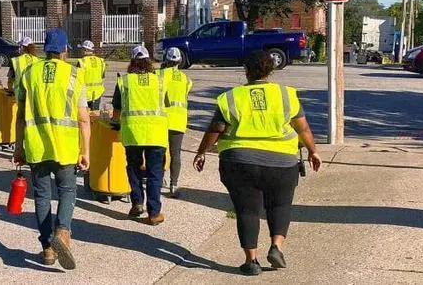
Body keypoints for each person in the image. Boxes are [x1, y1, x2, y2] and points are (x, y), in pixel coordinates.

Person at [193, 51, 322, 276]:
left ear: (246, 71)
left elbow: (217, 129)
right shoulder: (286, 94)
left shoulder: (231, 97)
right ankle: (276, 247)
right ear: (271, 70)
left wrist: (201, 152)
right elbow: (303, 128)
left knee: (247, 210)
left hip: (239, 161)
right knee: (280, 205)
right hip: (282, 162)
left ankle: (251, 261)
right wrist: (313, 151)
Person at [13, 28, 90, 270]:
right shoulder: (74, 74)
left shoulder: (29, 73)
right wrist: (85, 150)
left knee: (42, 196)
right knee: (67, 191)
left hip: (37, 146)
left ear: (45, 49)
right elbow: (83, 118)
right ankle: (63, 232)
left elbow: (20, 115)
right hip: (66, 147)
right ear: (65, 50)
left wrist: (18, 146)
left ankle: (47, 247)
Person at [111, 45, 168, 225]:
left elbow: (117, 109)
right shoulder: (159, 80)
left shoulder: (125, 81)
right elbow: (165, 103)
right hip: (156, 133)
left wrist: (115, 123)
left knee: (134, 168)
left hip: (133, 133)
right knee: (154, 173)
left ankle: (137, 203)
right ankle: (154, 213)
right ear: (149, 61)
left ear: (132, 62)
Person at [159, 47, 192, 198]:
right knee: (175, 153)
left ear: (166, 59)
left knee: (160, 152)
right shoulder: (186, 79)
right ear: (179, 61)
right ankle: (174, 184)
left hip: (162, 119)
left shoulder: (160, 74)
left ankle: (159, 179)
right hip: (179, 120)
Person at [77, 40, 106, 111]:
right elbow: (102, 76)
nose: (80, 51)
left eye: (82, 49)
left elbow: (77, 79)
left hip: (84, 95)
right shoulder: (101, 61)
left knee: (84, 115)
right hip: (97, 93)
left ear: (85, 50)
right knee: (95, 114)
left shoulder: (81, 62)